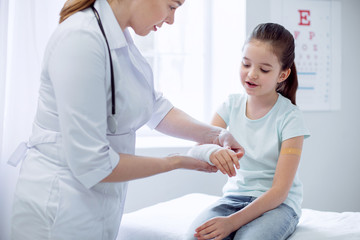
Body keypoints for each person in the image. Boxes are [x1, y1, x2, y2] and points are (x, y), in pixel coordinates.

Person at [10, 0, 244, 239]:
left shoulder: (117, 36)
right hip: (58, 207)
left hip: (94, 206)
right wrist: (176, 162)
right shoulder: (80, 39)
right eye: (172, 6)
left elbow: (153, 107)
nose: (172, 19)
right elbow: (92, 163)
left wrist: (216, 135)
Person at [186, 22, 311, 240]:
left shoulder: (290, 118)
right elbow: (194, 151)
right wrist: (212, 152)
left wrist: (231, 223)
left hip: (277, 206)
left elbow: (280, 192)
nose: (251, 74)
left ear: (283, 74)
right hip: (232, 200)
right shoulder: (230, 105)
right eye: (246, 64)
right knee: (195, 237)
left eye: (263, 69)